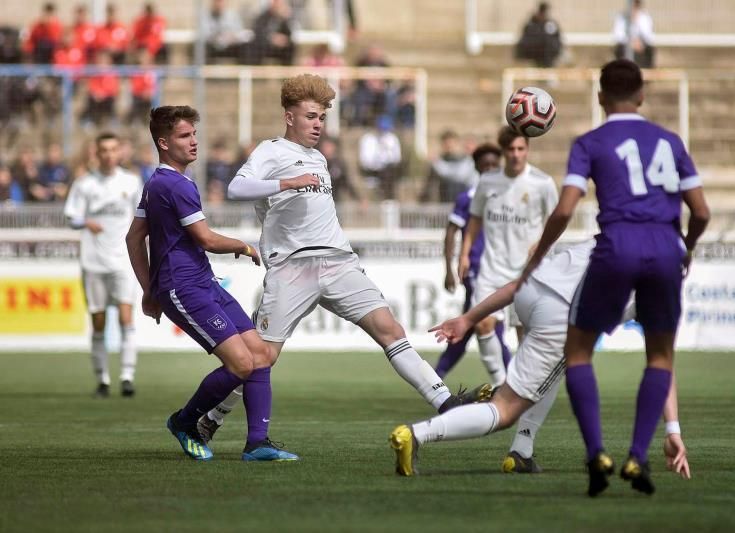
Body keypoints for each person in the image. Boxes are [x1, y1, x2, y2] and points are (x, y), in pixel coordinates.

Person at [195, 74, 489, 442]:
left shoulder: (318, 157)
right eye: (310, 116)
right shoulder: (271, 151)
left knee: (391, 330)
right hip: (292, 266)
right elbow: (236, 187)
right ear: (289, 117)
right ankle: (212, 417)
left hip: (338, 262)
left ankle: (446, 404)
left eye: (321, 117)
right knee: (261, 357)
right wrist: (285, 183)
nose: (318, 124)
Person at [515, 59, 710, 496]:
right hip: (664, 248)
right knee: (659, 356)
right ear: (642, 95)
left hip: (616, 246)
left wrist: (540, 252)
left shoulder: (590, 142)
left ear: (600, 97)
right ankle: (638, 457)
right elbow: (701, 211)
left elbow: (565, 209)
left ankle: (596, 453)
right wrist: (687, 247)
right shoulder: (671, 141)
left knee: (579, 351)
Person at [390, 240, 692, 481]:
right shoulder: (662, 279)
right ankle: (416, 434)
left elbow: (517, 286)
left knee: (554, 370)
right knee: (505, 409)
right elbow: (662, 363)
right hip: (559, 313)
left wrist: (469, 318)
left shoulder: (610, 237)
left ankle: (521, 451)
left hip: (528, 293)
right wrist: (673, 430)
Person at [125, 105, 300, 462]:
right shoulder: (172, 185)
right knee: (241, 364)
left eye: (194, 135)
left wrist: (148, 289)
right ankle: (184, 422)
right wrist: (245, 246)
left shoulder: (160, 183)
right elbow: (205, 239)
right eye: (184, 136)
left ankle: (257, 443)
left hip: (202, 283)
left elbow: (133, 238)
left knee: (260, 355)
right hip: (184, 287)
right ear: (163, 142)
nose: (194, 142)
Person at [458, 126, 558, 388]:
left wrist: (542, 244)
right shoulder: (488, 182)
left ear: (527, 149)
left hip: (527, 272)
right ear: (503, 152)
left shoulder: (542, 183)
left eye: (520, 149)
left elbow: (557, 222)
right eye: (511, 150)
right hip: (492, 270)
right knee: (482, 324)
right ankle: (501, 386)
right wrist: (464, 254)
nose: (516, 155)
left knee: (525, 335)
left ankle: (524, 388)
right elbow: (475, 219)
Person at [64, 132, 142, 398]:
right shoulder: (85, 184)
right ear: (96, 154)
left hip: (122, 260)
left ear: (120, 152)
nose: (109, 154)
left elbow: (143, 217)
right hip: (93, 260)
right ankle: (103, 380)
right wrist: (86, 222)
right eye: (103, 150)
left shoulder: (131, 182)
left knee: (125, 316)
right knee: (98, 321)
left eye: (113, 149)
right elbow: (71, 216)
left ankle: (127, 377)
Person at [435, 143, 512, 378]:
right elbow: (451, 232)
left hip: (502, 270)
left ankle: (434, 377)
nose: (489, 169)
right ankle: (512, 383)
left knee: (470, 326)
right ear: (476, 167)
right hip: (477, 269)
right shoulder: (468, 197)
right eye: (484, 165)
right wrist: (449, 268)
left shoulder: (507, 195)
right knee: (489, 325)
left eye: (493, 164)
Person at [418, 131, 477, 203]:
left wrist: (436, 162)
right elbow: (429, 184)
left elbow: (456, 175)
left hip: (462, 203)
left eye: (451, 143)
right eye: (446, 144)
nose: (449, 146)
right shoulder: (439, 160)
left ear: (456, 143)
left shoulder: (464, 160)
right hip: (444, 201)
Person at [358, 114, 402, 201]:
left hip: (388, 171)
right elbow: (364, 161)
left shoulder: (392, 139)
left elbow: (397, 158)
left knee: (388, 175)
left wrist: (386, 159)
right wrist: (377, 163)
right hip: (372, 171)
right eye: (381, 129)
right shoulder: (367, 139)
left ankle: (389, 200)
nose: (383, 132)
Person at [514, 2, 562, 68]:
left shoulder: (551, 24)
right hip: (533, 58)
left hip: (549, 59)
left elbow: (557, 40)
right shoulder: (531, 25)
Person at [202, 0, 249, 64]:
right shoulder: (205, 15)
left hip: (230, 47)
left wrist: (232, 36)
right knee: (202, 49)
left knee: (245, 48)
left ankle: (243, 72)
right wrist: (215, 37)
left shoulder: (232, 15)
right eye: (217, 1)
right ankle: (205, 72)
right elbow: (205, 34)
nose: (219, 4)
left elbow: (240, 32)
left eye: (221, 1)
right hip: (213, 47)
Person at [613, 0, 655, 69]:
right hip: (625, 47)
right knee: (620, 49)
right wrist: (630, 43)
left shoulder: (644, 17)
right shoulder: (621, 17)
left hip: (641, 49)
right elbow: (617, 36)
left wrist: (639, 42)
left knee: (649, 50)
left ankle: (645, 74)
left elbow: (649, 37)